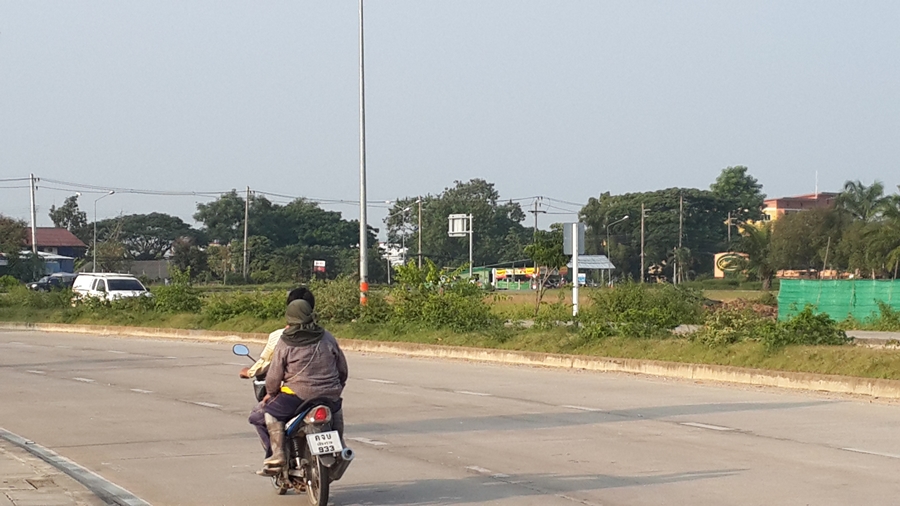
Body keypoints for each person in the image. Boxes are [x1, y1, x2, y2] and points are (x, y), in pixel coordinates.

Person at [247, 287, 348, 476]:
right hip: (329, 395)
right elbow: (342, 369)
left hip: (297, 397)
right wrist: (336, 388)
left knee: (270, 413)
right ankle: (340, 446)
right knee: (336, 411)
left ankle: (278, 454)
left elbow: (274, 376)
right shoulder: (327, 337)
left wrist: (271, 393)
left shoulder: (285, 341)